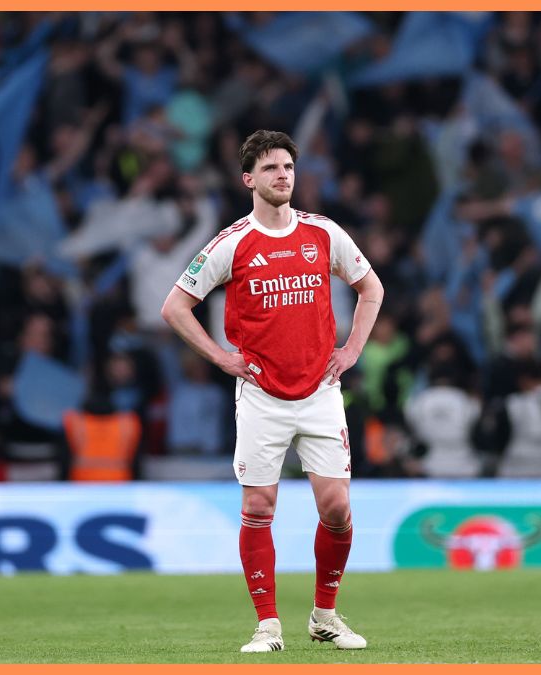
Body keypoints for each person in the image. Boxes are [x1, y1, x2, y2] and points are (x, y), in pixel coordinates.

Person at [161, 130, 382, 653]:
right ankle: (267, 625)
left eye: (287, 167)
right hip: (261, 394)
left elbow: (371, 288)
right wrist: (220, 357)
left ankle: (324, 615)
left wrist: (350, 352)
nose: (282, 175)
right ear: (249, 180)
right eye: (270, 169)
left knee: (337, 509)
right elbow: (174, 306)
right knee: (259, 505)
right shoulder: (232, 243)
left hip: (321, 391)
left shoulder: (324, 233)